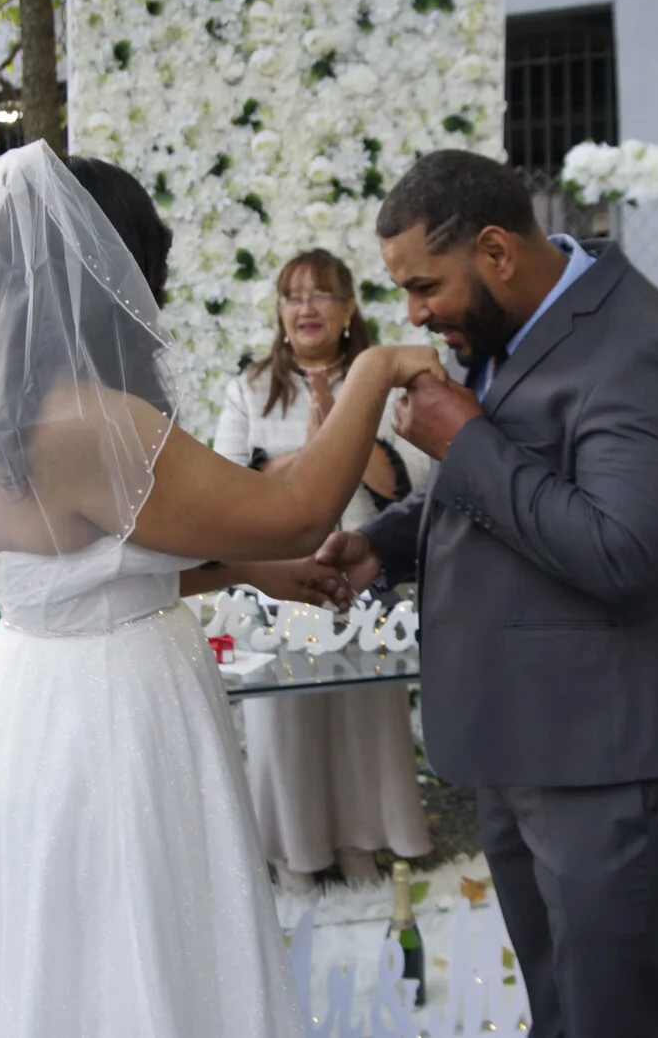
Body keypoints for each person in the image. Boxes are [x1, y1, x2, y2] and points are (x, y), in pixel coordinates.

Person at [0, 142, 442, 1038]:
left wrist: (241, 570)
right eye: (140, 265)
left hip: (24, 704)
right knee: (142, 953)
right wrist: (370, 373)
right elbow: (289, 508)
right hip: (109, 720)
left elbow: (81, 571)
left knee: (64, 964)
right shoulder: (91, 419)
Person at [315, 149, 658, 1038]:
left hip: (608, 747)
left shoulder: (646, 348)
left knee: (605, 1010)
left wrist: (463, 440)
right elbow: (506, 487)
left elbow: (621, 549)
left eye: (426, 286)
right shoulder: (512, 325)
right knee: (555, 998)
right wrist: (384, 545)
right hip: (520, 730)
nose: (416, 313)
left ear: (497, 250)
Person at [212, 249, 431, 891]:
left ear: (348, 309)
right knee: (287, 721)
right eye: (292, 296)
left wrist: (348, 431)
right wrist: (315, 452)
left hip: (363, 573)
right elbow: (226, 482)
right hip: (281, 581)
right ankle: (298, 855)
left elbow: (413, 480)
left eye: (321, 295)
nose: (305, 307)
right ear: (280, 313)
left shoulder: (383, 379)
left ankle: (364, 843)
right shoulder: (249, 388)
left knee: (366, 715)